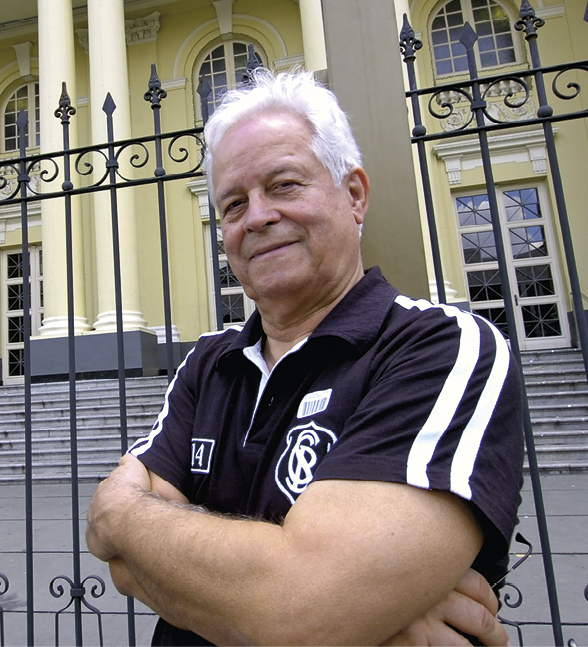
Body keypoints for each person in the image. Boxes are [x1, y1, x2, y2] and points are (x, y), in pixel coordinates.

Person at [87, 69, 524, 646]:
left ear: (355, 194)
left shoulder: (438, 347)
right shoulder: (207, 364)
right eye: (234, 203)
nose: (258, 217)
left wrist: (134, 524)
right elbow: (113, 549)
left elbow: (299, 611)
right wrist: (338, 609)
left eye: (285, 184)